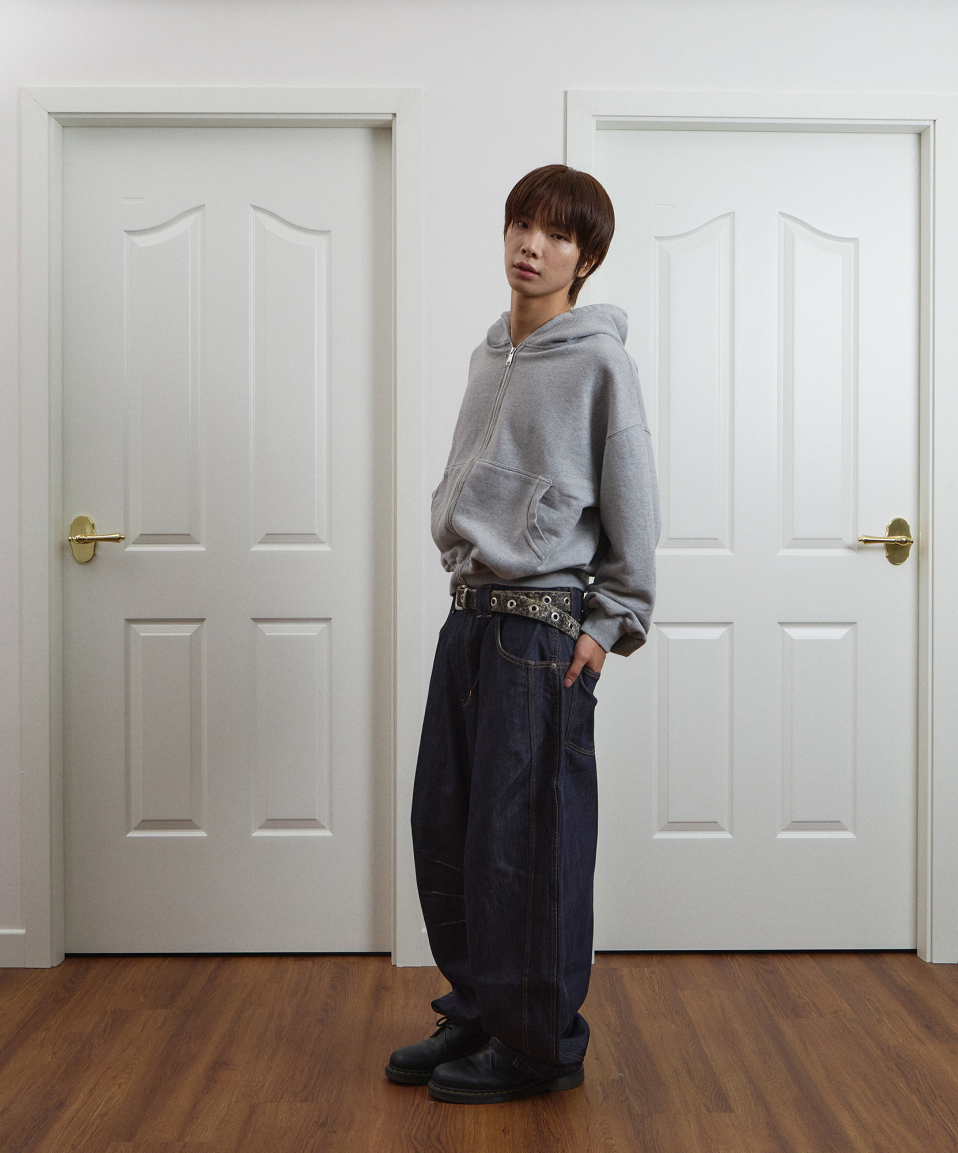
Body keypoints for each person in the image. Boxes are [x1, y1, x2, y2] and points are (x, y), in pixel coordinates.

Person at [386, 164, 660, 1104]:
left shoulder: (600, 363)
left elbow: (633, 508)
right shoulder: (488, 354)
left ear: (586, 259)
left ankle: (540, 1042)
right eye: (521, 225)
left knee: (527, 844)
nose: (531, 245)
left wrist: (608, 624)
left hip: (540, 637)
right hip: (468, 622)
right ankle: (479, 1009)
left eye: (556, 234)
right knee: (446, 829)